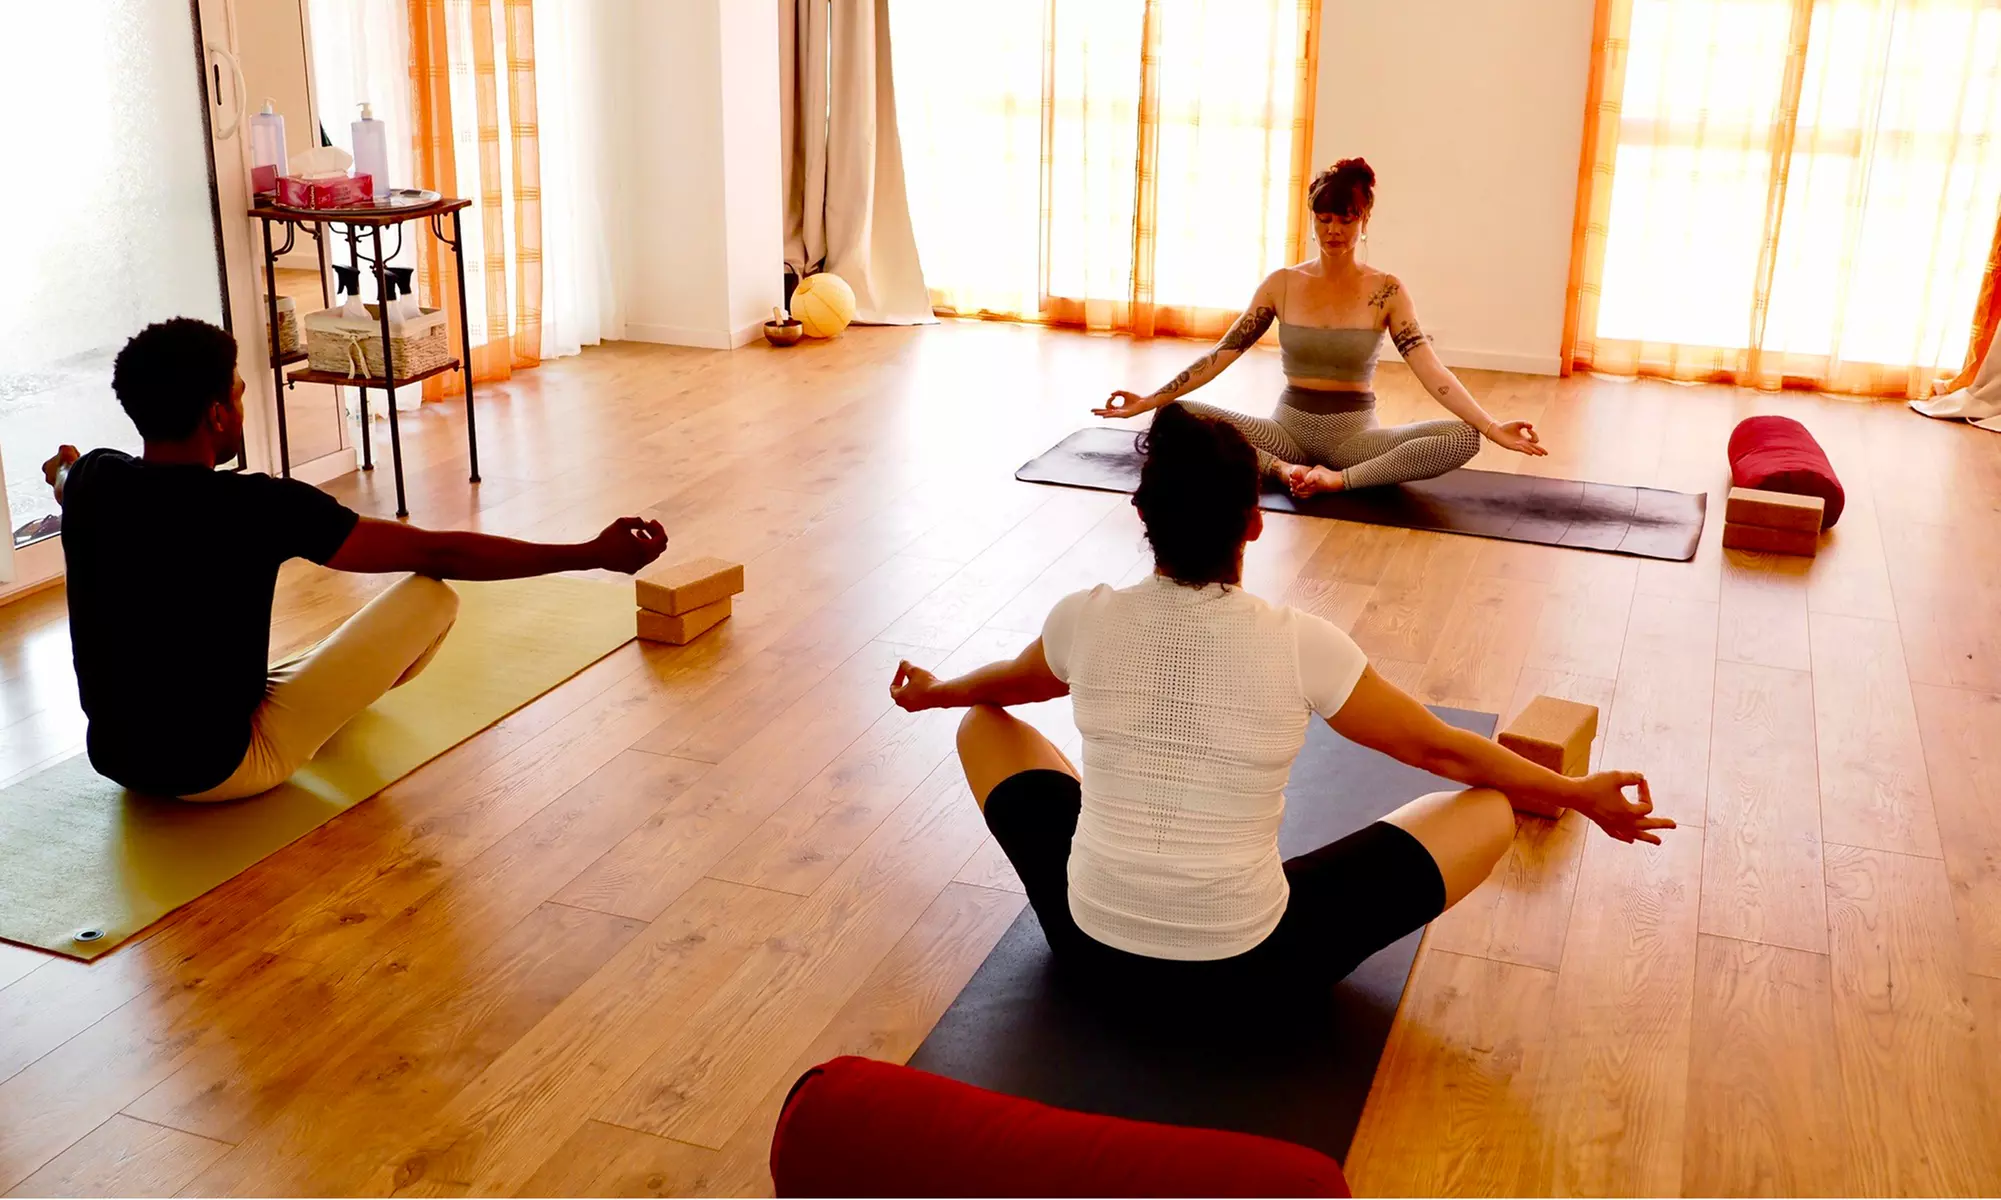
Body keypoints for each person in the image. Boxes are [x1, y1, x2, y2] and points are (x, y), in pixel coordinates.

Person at [888, 403, 1669, 997]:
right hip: (1253, 970)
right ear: (1256, 525)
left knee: (980, 724)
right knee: (1491, 806)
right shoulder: (1300, 642)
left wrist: (935, 694)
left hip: (1088, 947)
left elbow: (1013, 686)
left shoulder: (1082, 619)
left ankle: (1126, 862)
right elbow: (1436, 749)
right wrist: (1573, 794)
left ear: (1141, 519)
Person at [44, 317, 668, 801]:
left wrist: (64, 467)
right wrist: (589, 553)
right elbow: (436, 550)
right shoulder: (258, 506)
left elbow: (65, 473)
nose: (241, 405)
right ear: (216, 414)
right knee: (432, 595)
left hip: (117, 760)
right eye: (237, 394)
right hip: (224, 769)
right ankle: (311, 721)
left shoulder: (98, 480)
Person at [1095, 158, 1548, 498]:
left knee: (1463, 437)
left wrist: (1491, 428)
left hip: (1355, 438)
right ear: (1314, 220)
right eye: (1325, 219)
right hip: (1285, 432)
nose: (1334, 231)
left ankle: (1338, 481)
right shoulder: (1283, 284)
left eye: (1346, 220)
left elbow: (1432, 372)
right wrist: (1151, 399)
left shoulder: (1386, 291)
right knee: (1174, 416)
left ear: (1363, 220)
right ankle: (1279, 469)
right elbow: (1222, 355)